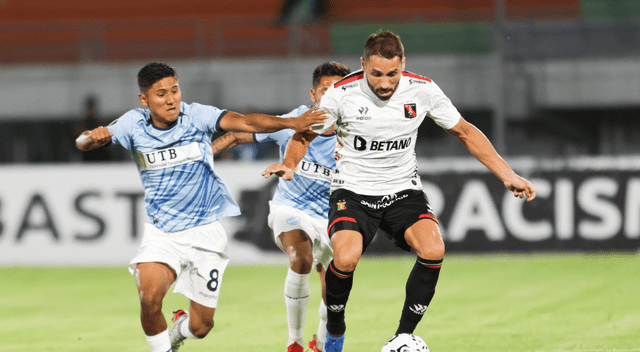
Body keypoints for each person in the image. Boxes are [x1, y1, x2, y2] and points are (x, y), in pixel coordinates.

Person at [263, 31, 537, 352]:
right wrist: (291, 165)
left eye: (392, 74)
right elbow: (303, 135)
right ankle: (335, 329)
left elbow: (464, 130)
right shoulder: (341, 93)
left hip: (402, 190)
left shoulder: (422, 90)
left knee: (434, 250)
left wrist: (507, 174)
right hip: (352, 192)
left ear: (402, 64)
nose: (384, 83)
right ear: (363, 65)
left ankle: (403, 336)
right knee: (346, 258)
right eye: (375, 74)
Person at [74, 62, 326, 352]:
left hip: (205, 233)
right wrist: (92, 138)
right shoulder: (132, 123)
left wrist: (291, 123)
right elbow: (82, 141)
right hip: (163, 233)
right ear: (144, 100)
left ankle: (179, 329)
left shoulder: (196, 115)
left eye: (174, 90)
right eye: (160, 94)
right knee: (150, 297)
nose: (170, 99)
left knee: (201, 327)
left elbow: (245, 122)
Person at [210, 61, 351, 352]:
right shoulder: (294, 122)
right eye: (326, 91)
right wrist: (202, 158)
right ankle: (295, 343)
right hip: (292, 208)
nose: (332, 97)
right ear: (314, 95)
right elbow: (238, 134)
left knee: (334, 289)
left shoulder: (356, 131)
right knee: (301, 259)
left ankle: (320, 342)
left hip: (334, 215)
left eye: (340, 90)